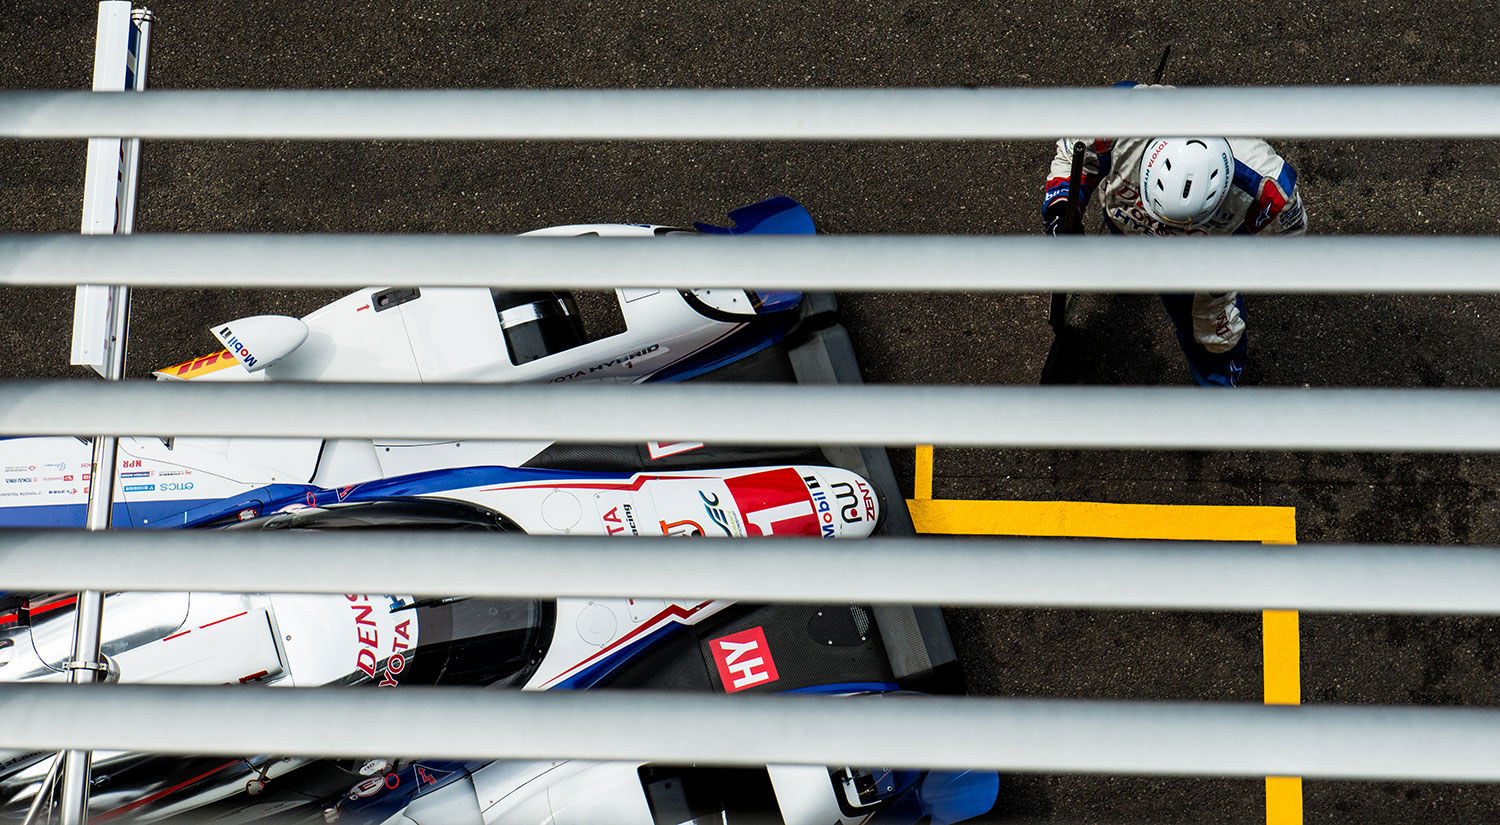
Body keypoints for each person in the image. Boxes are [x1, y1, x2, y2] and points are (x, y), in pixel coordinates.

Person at [1041, 88, 1307, 387]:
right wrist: (1061, 207)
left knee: (1211, 332)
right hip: (1126, 220)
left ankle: (1216, 386)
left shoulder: (1268, 188)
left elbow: (1287, 237)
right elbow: (1073, 155)